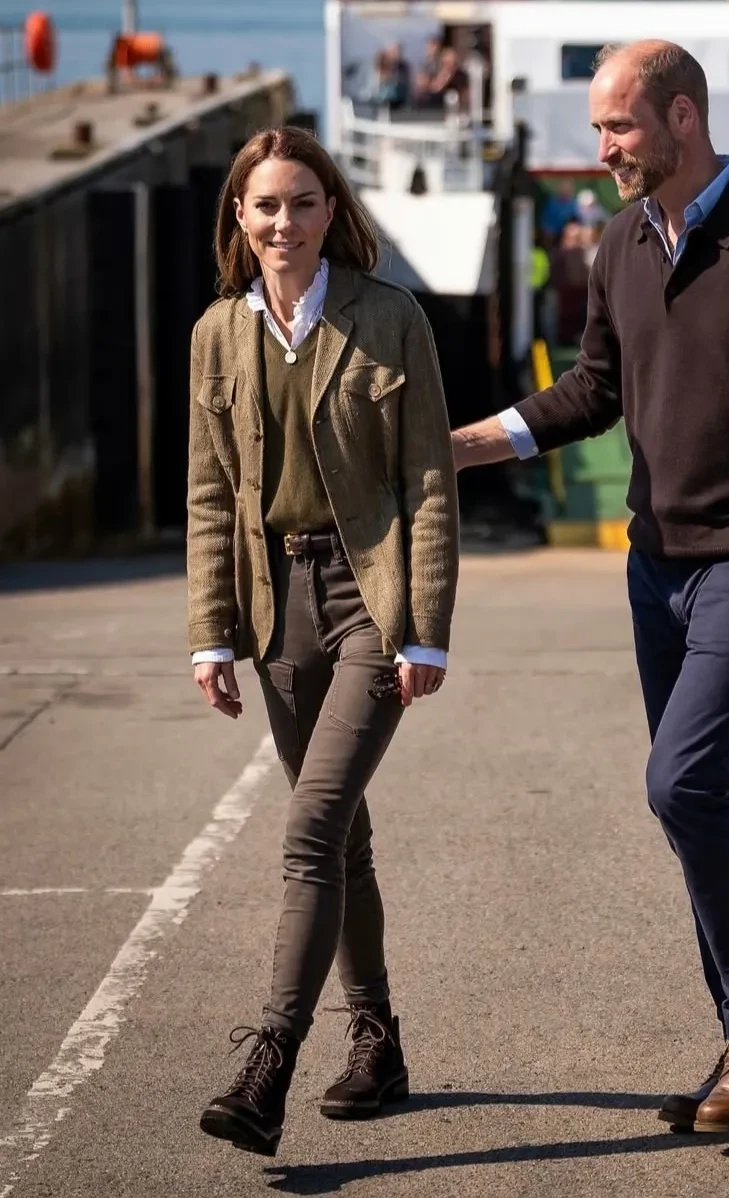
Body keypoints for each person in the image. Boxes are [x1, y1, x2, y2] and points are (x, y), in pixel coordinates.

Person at [451, 41, 729, 1138]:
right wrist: (451, 450)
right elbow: (592, 391)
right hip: (657, 569)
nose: (602, 149)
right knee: (704, 799)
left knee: (682, 786)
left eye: (619, 126)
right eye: (599, 128)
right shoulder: (620, 243)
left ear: (683, 117)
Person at [188, 125, 459, 1156]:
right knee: (342, 838)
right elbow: (210, 496)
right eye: (266, 205)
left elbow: (427, 480)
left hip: (368, 599)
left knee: (308, 831)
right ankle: (378, 1043)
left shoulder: (389, 319)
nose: (285, 222)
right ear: (240, 217)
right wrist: (211, 634)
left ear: (331, 211)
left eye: (304, 202)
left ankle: (269, 1064)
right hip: (276, 608)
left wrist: (425, 629)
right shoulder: (218, 333)